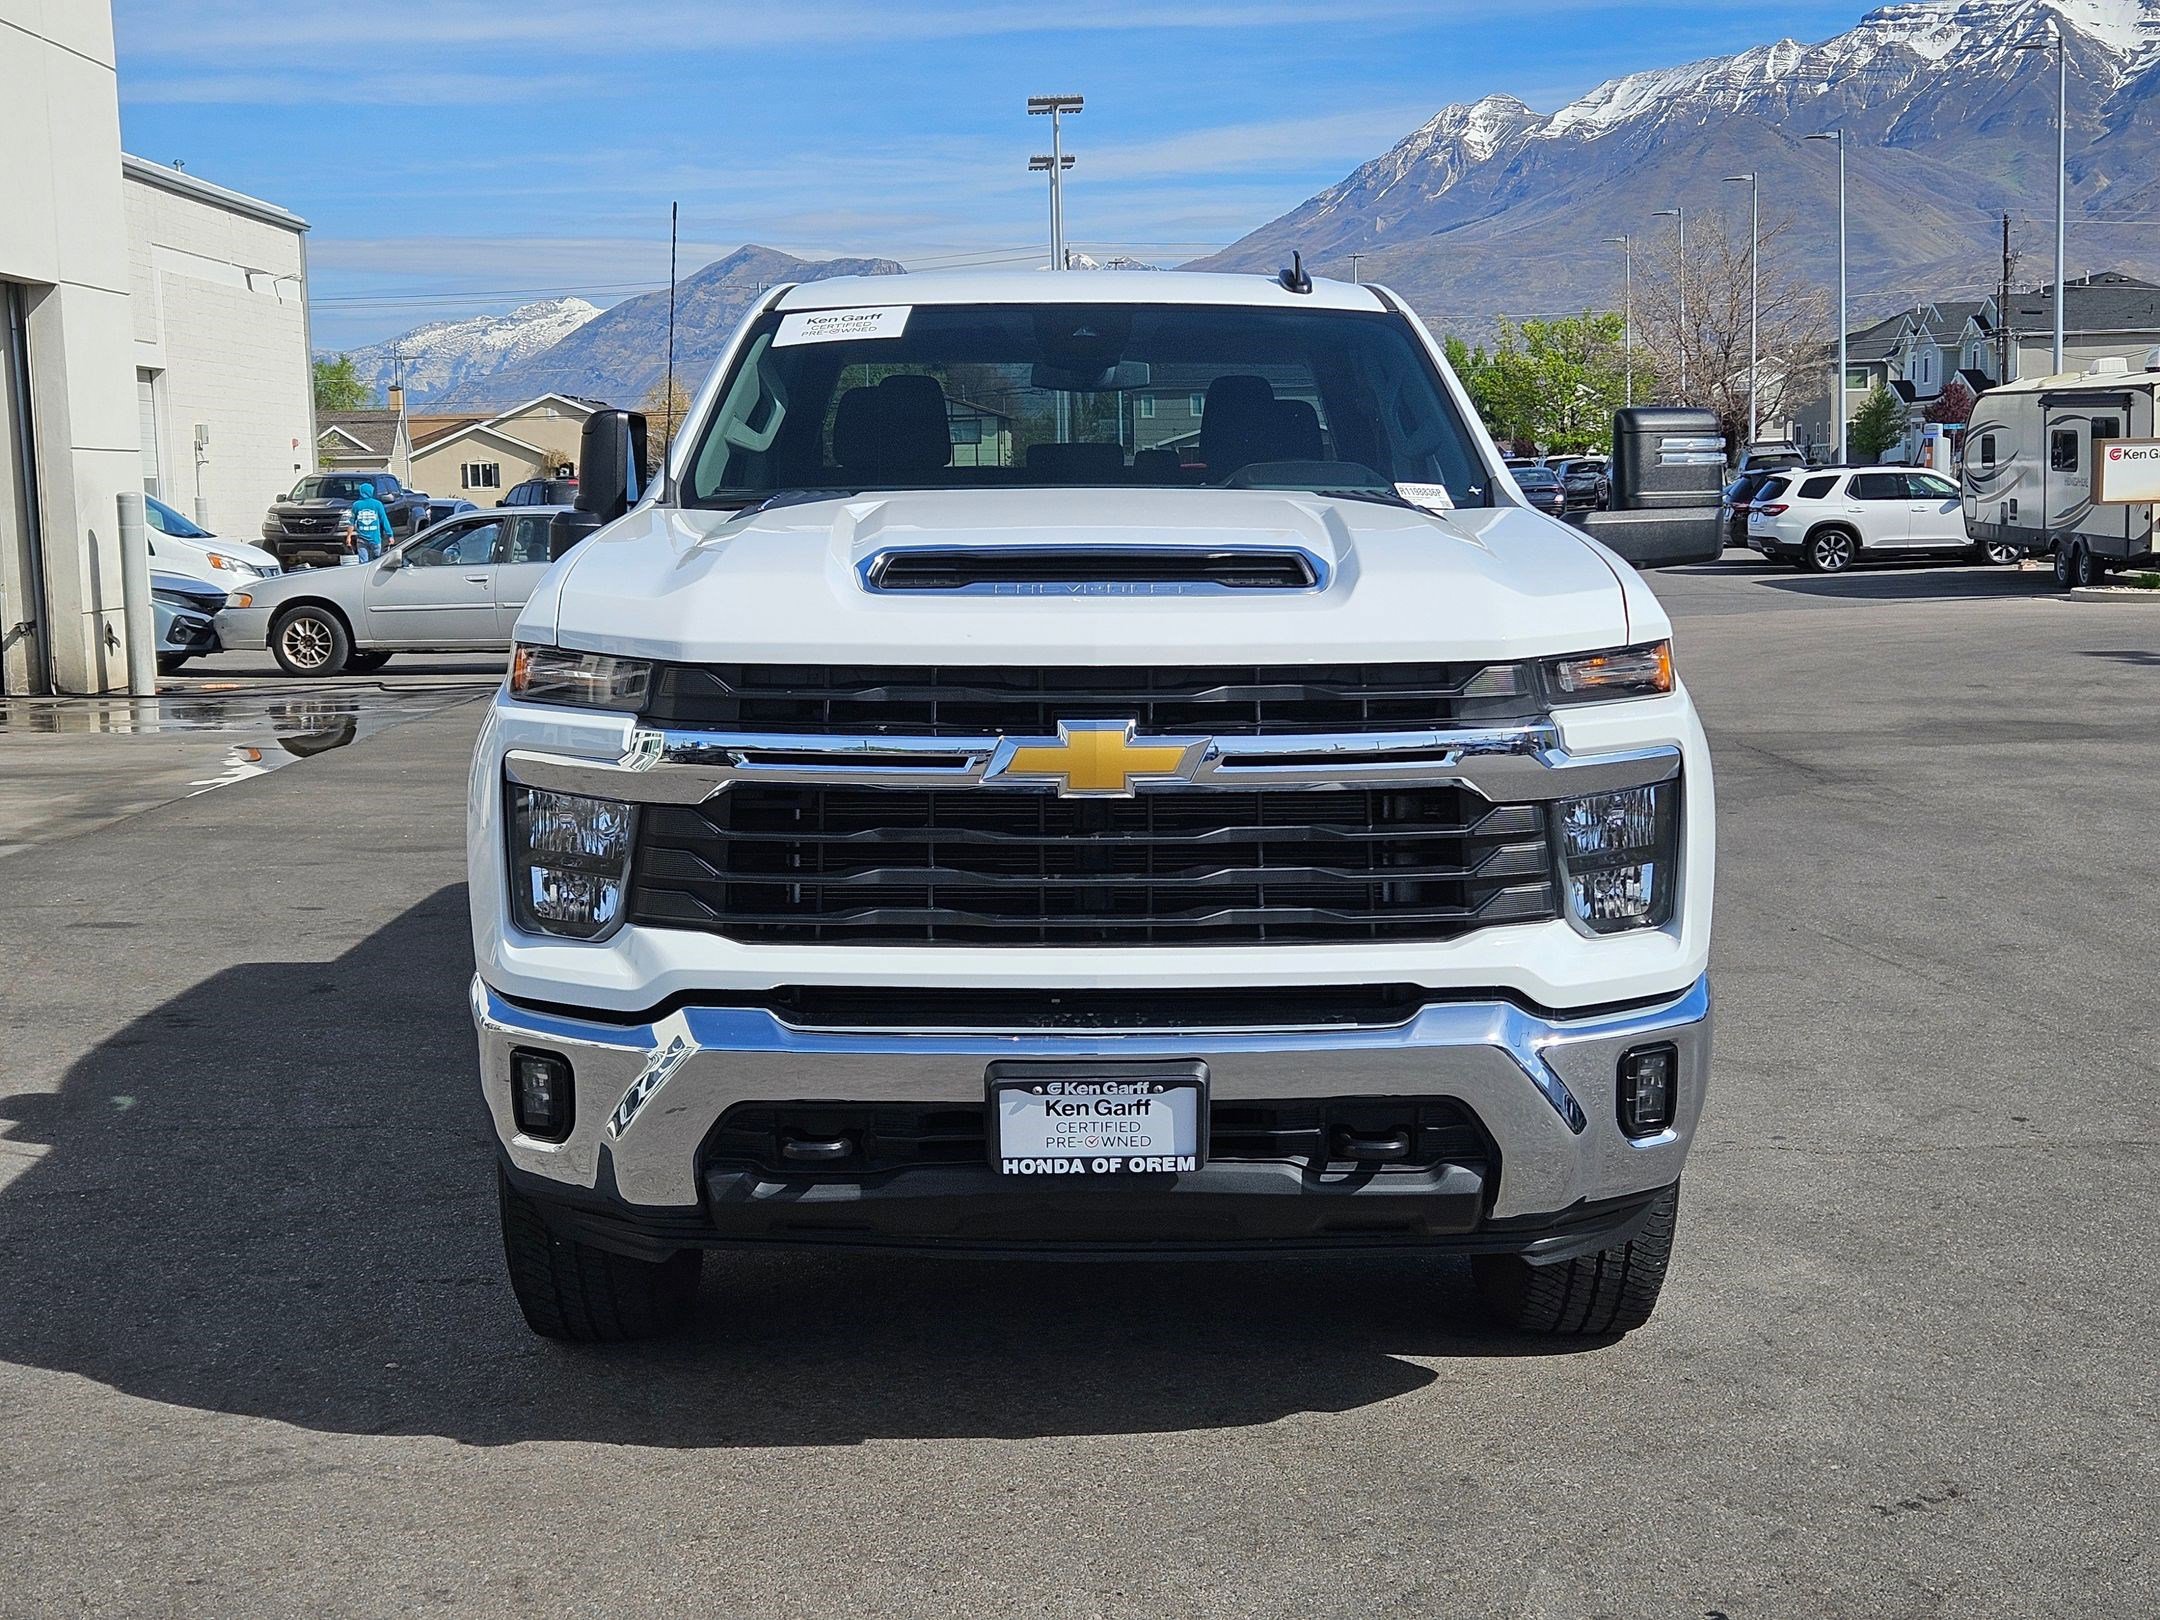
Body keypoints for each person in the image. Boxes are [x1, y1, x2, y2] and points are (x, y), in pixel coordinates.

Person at [346, 482, 394, 562]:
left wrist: (349, 536)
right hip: (375, 538)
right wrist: (390, 535)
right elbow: (384, 520)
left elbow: (351, 522)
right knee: (376, 561)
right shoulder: (377, 504)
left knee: (363, 561)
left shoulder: (356, 505)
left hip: (361, 539)